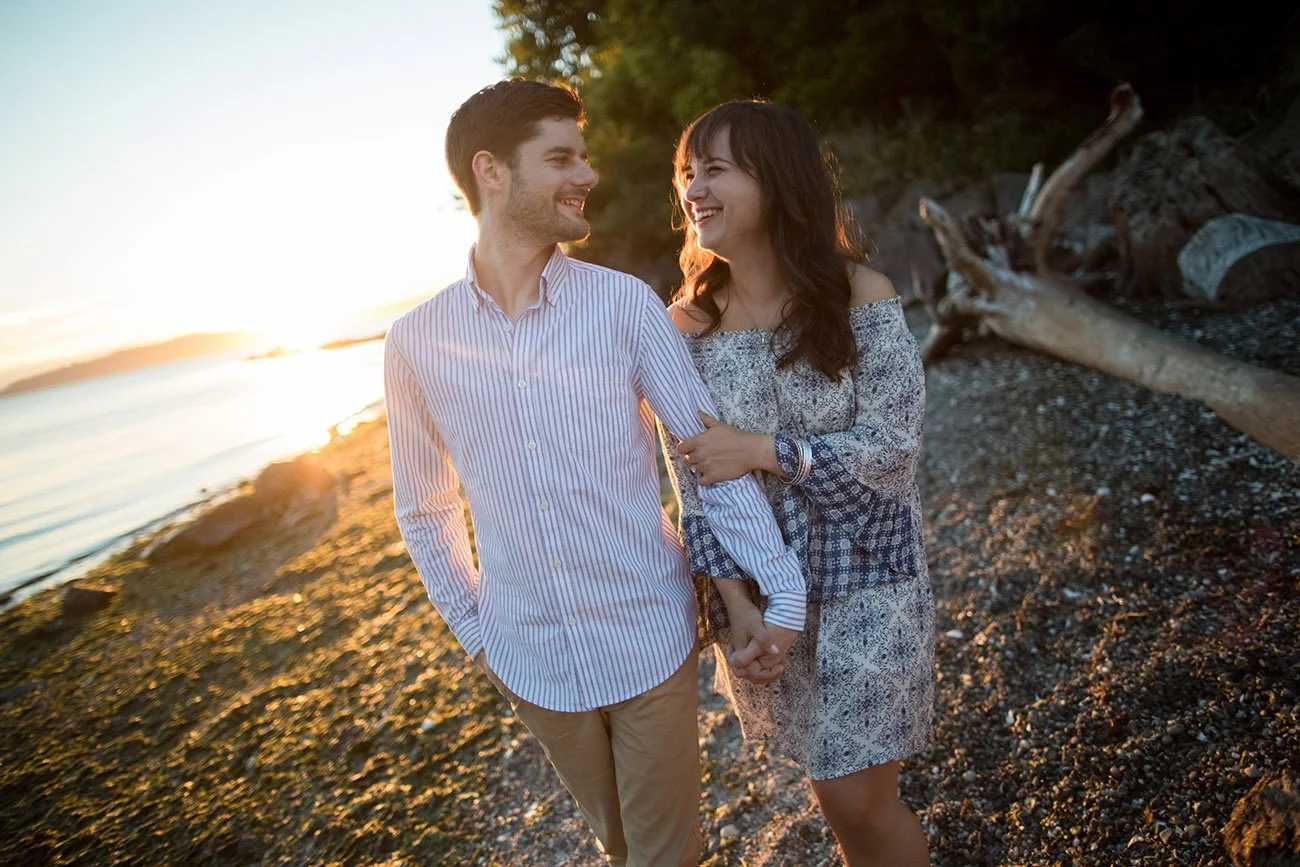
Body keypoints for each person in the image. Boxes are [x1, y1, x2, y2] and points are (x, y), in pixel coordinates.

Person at [383, 79, 807, 867]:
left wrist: (781, 585)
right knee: (623, 848)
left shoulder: (624, 306)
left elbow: (704, 451)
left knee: (662, 856)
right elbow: (424, 508)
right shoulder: (414, 341)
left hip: (648, 634)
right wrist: (478, 634)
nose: (588, 174)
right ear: (492, 172)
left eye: (583, 155)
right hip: (529, 660)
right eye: (562, 157)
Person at [663, 99, 935, 867]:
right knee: (835, 794)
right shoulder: (685, 327)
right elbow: (693, 482)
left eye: (715, 168)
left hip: (871, 576)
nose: (694, 187)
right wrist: (737, 608)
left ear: (776, 179)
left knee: (857, 795)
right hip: (763, 595)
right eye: (688, 172)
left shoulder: (861, 295)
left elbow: (894, 447)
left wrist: (760, 448)